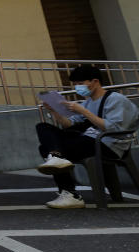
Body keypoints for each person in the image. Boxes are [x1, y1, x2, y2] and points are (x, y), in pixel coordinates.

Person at [36, 64, 139, 209]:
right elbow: (68, 124)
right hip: (89, 141)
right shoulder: (88, 102)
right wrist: (55, 111)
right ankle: (56, 158)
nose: (78, 87)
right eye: (75, 84)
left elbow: (114, 128)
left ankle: (69, 193)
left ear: (95, 81)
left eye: (80, 83)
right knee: (43, 128)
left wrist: (83, 111)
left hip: (108, 144)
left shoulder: (115, 99)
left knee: (46, 148)